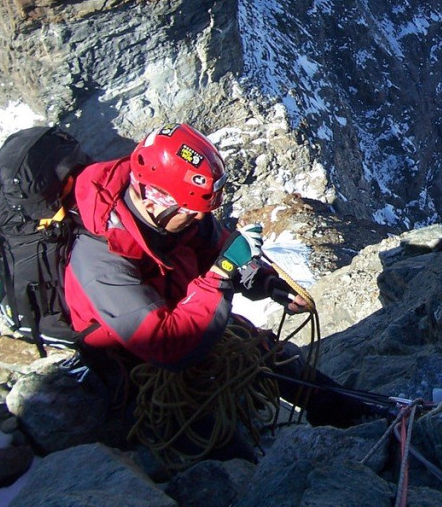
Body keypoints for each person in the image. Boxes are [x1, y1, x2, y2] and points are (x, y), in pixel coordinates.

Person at [63, 122, 380, 431]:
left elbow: (218, 251)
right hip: (134, 369)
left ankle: (352, 415)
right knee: (208, 434)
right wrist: (221, 274)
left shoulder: (182, 215)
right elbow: (167, 347)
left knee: (262, 351)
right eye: (190, 209)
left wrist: (267, 282)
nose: (200, 218)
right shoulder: (101, 259)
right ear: (153, 198)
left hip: (185, 323)